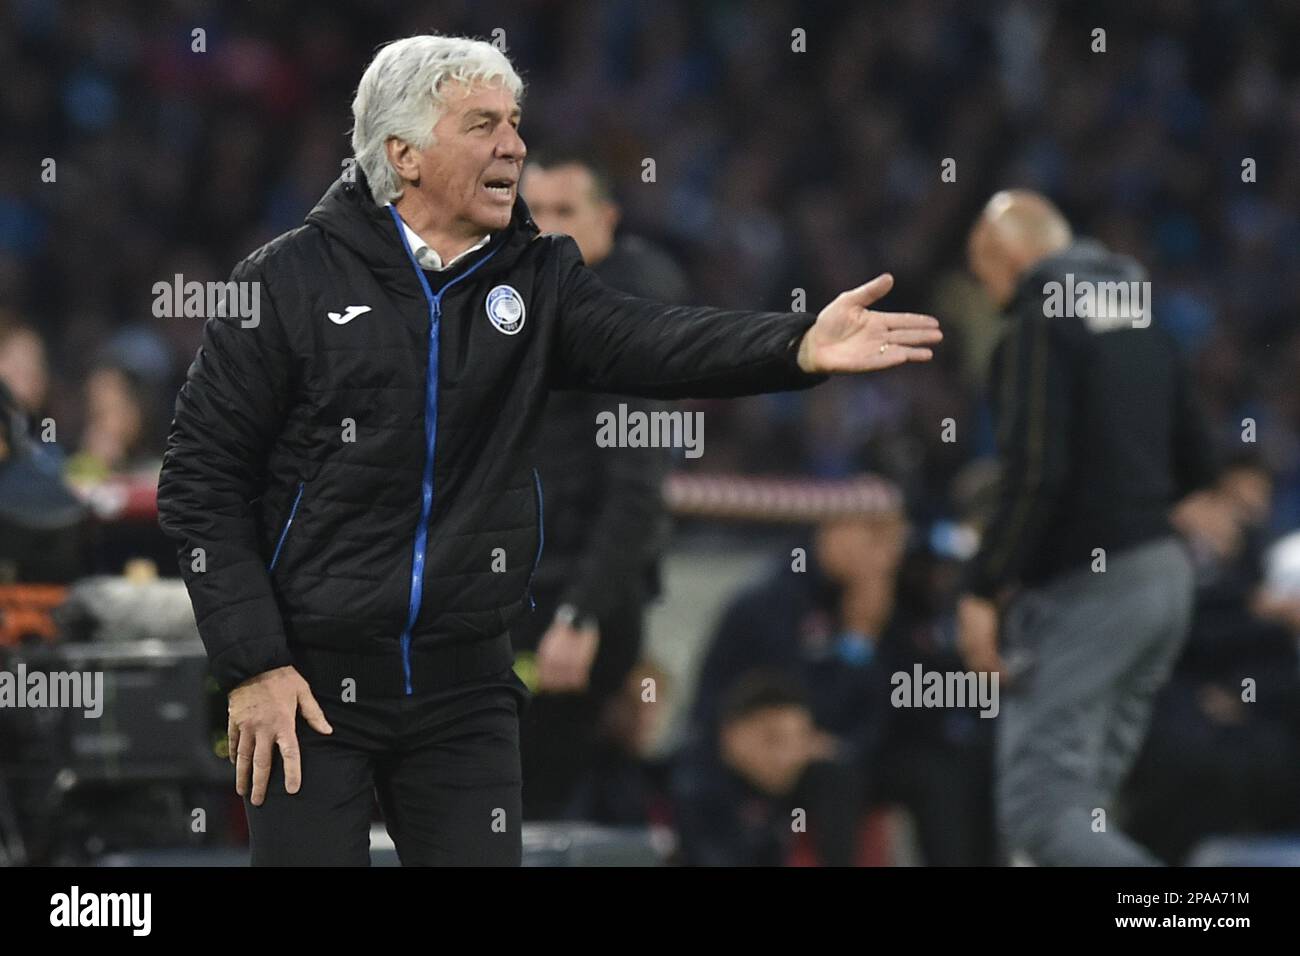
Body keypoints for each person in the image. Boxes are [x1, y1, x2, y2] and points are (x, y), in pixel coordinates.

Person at [156, 34, 941, 866]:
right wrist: (254, 666)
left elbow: (654, 339)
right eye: (483, 124)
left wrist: (798, 345)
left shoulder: (536, 278)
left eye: (516, 123)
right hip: (307, 685)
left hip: (467, 688)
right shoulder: (285, 282)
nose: (515, 146)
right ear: (404, 153)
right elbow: (200, 478)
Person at [956, 189, 1218, 866]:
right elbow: (1198, 456)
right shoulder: (1137, 308)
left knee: (1043, 822)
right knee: (1085, 810)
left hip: (1089, 591)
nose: (987, 295)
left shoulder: (1039, 319)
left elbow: (1036, 468)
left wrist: (983, 586)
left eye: (982, 273)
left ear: (1005, 254)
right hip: (1163, 577)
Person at [512, 151, 682, 818]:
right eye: (534, 213)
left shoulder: (619, 315)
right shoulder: (528, 301)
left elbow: (638, 486)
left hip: (568, 610)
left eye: (565, 212)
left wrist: (580, 616)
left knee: (521, 803)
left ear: (607, 219)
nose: (547, 228)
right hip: (523, 597)